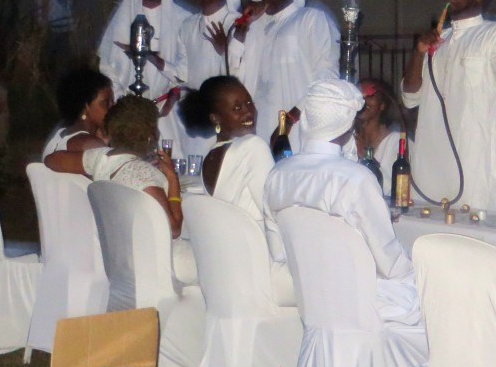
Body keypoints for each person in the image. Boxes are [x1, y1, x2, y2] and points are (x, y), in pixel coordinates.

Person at [263, 79, 425, 331]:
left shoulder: (277, 175)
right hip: (359, 307)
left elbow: (279, 253)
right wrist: (422, 277)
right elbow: (390, 263)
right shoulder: (355, 179)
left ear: (305, 120)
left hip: (312, 303)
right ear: (349, 122)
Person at [400, 0, 496, 212]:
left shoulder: (495, 35)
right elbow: (410, 97)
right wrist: (419, 51)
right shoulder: (439, 39)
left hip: (474, 159)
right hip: (432, 157)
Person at [44, 95, 196, 285]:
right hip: (159, 260)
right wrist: (172, 180)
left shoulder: (99, 158)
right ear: (150, 133)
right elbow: (173, 229)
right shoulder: (144, 176)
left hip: (120, 259)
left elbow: (51, 160)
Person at [179, 75, 296, 306]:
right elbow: (274, 210)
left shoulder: (211, 155)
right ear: (216, 118)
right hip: (260, 270)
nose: (248, 112)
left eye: (249, 103)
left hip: (227, 274)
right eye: (237, 108)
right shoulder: (253, 147)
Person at [227, 0, 339, 148]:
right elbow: (236, 74)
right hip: (258, 123)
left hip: (296, 121)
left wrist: (294, 115)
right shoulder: (253, 27)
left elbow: (326, 73)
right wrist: (241, 32)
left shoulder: (311, 18)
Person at [97, 0, 191, 156]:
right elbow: (107, 66)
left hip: (165, 111)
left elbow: (188, 69)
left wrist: (176, 94)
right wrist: (125, 101)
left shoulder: (182, 18)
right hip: (129, 111)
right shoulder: (122, 17)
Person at [174, 0, 242, 158]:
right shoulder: (188, 25)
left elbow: (243, 71)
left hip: (225, 113)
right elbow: (182, 73)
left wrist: (225, 49)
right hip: (196, 116)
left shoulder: (236, 22)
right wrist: (156, 61)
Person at [41, 68, 113, 158]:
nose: (112, 107)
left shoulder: (61, 134)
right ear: (85, 106)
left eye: (112, 102)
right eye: (105, 103)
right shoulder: (89, 144)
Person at [350, 77, 401, 196]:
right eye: (359, 96)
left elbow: (393, 188)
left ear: (382, 105)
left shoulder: (397, 142)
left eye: (370, 96)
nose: (363, 101)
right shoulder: (347, 139)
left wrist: (365, 155)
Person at [35, 0, 77, 78]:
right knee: (49, 53)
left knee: (64, 55)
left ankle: (61, 78)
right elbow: (40, 2)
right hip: (51, 24)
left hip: (65, 24)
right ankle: (46, 77)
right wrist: (41, 21)